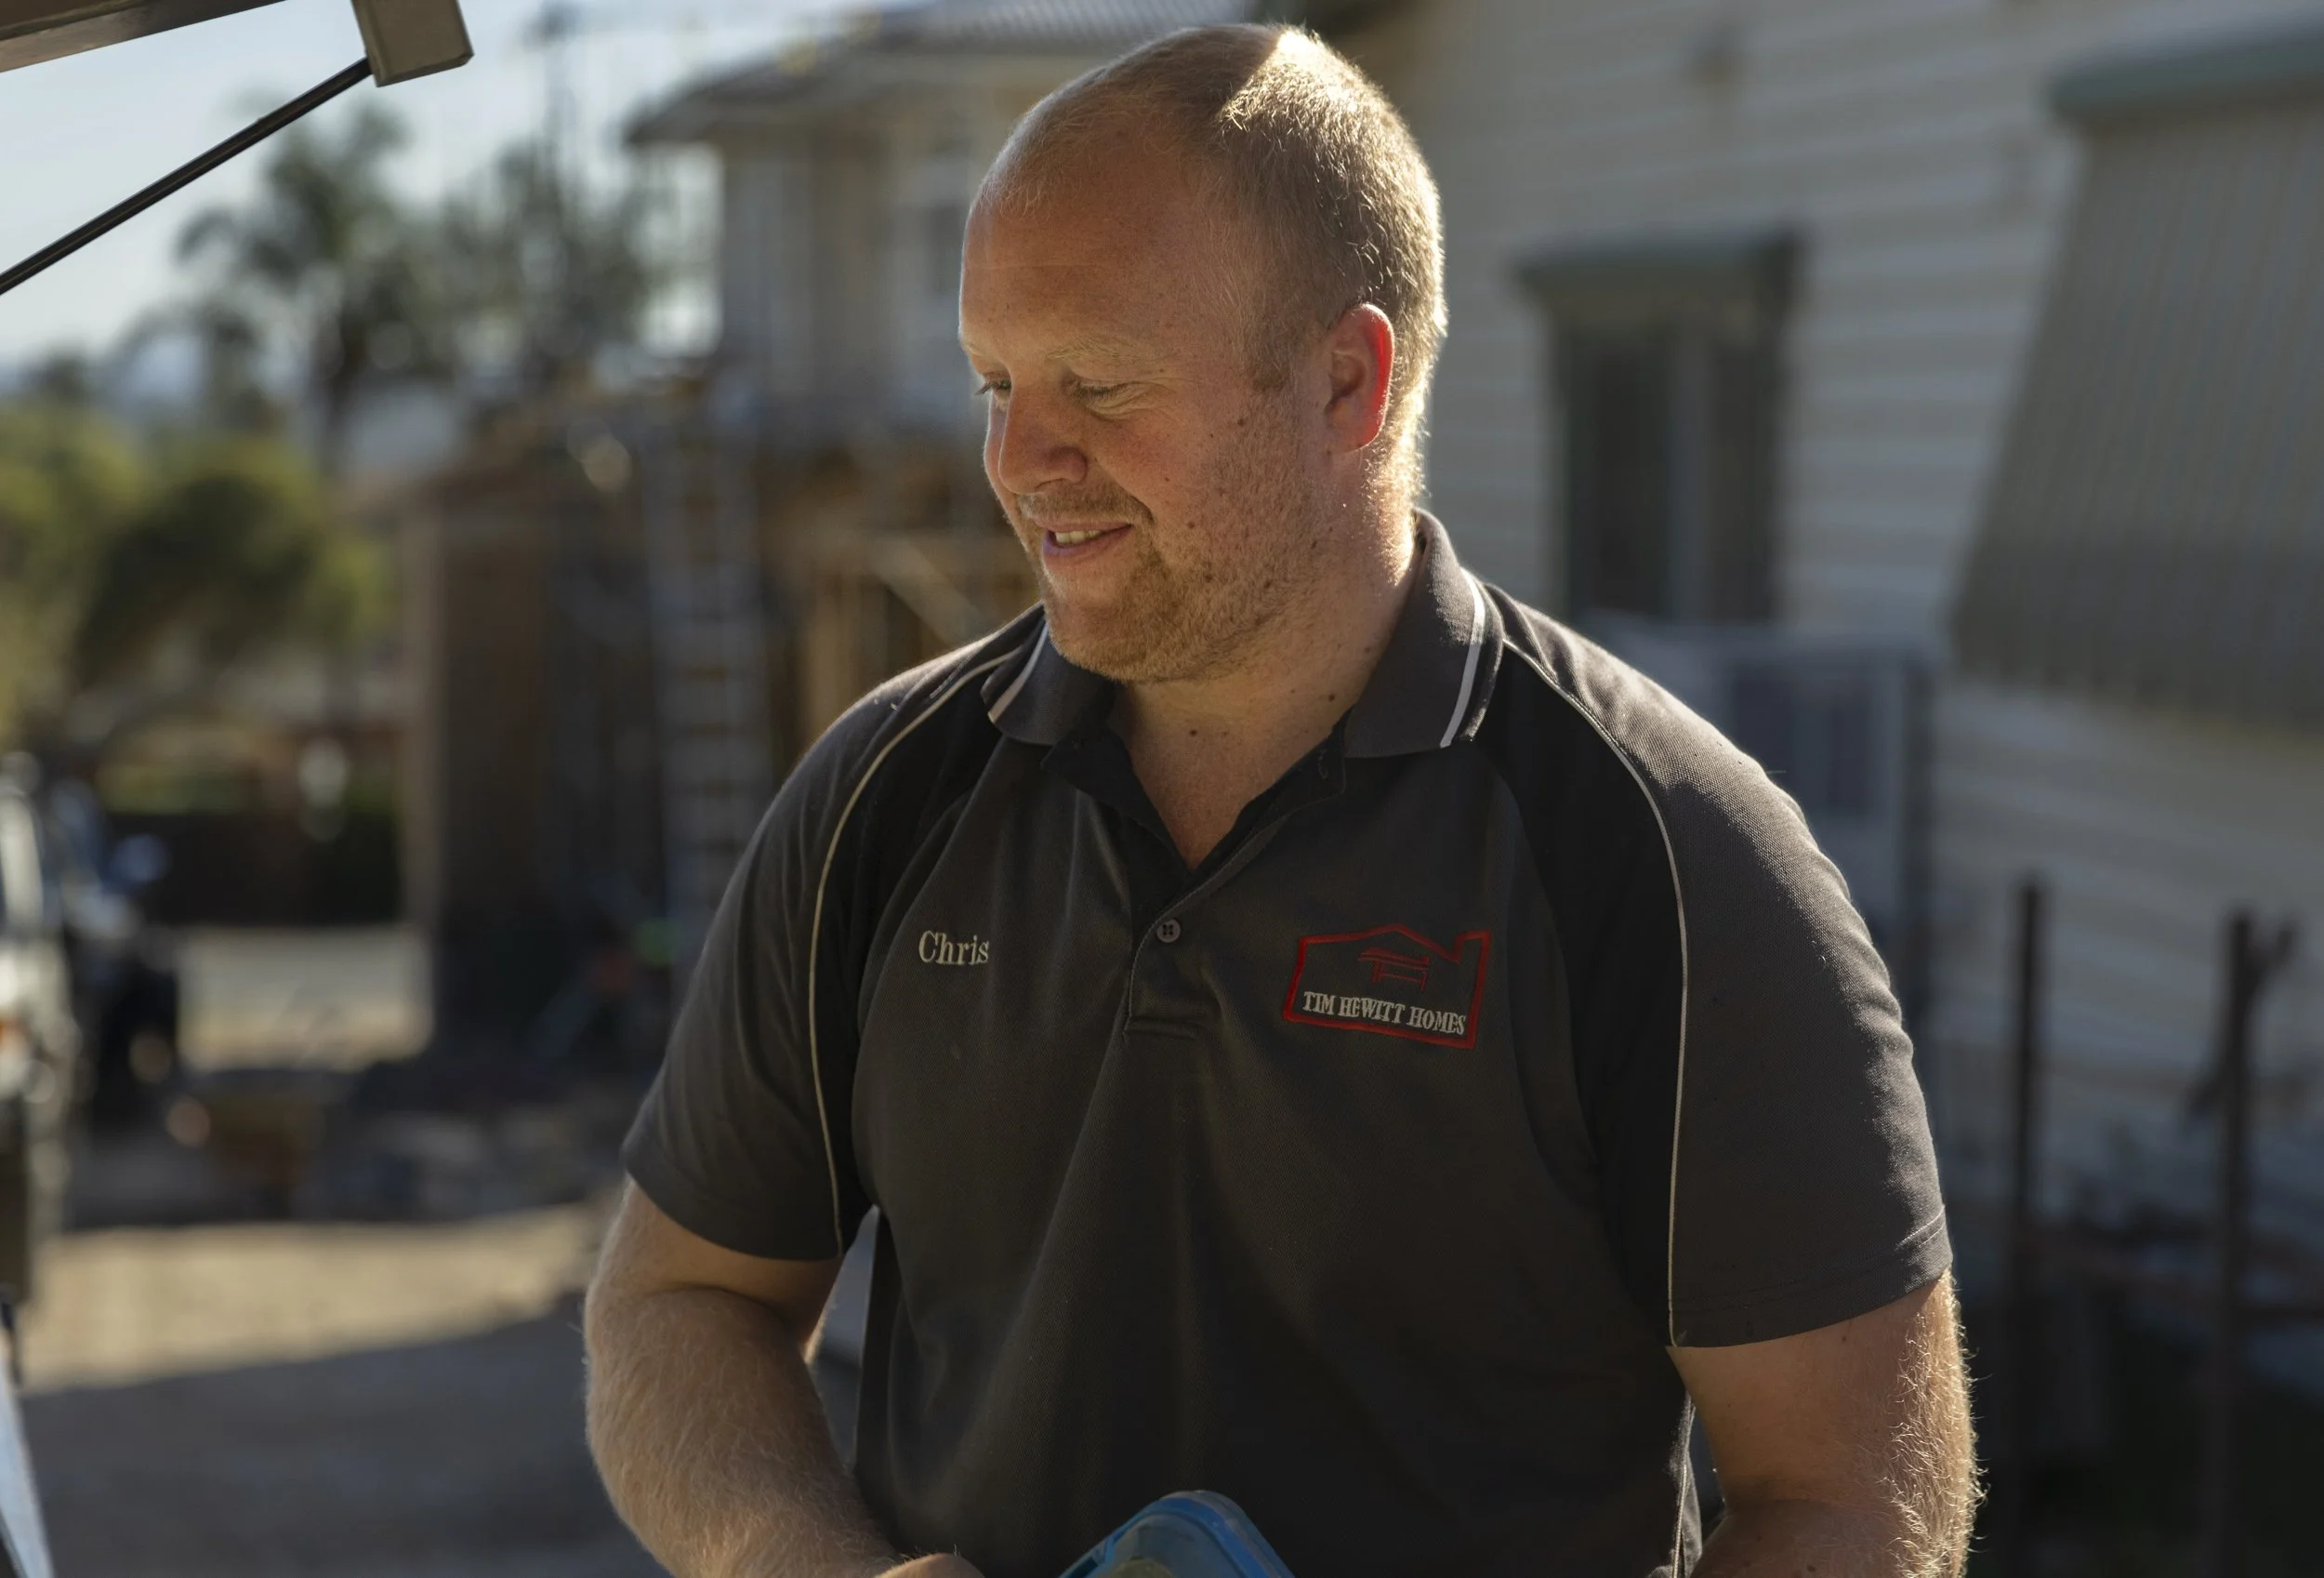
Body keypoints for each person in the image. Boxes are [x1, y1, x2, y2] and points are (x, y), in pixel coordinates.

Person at [584, 24, 1974, 1578]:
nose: (1022, 460)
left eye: (1099, 384)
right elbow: (679, 1305)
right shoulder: (885, 799)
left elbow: (1855, 1500)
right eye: (994, 381)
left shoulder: (1661, 856)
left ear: (1345, 382)